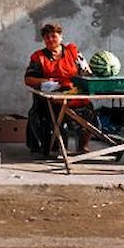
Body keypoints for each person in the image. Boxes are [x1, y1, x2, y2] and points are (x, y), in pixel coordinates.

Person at [23, 23, 97, 156]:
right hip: (49, 98)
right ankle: (54, 145)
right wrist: (48, 82)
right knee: (46, 115)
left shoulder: (73, 53)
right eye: (47, 37)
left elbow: (87, 73)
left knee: (88, 112)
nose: (50, 39)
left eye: (53, 36)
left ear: (61, 37)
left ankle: (83, 145)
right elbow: (28, 79)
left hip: (72, 95)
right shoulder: (38, 57)